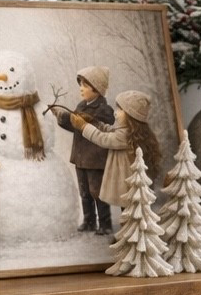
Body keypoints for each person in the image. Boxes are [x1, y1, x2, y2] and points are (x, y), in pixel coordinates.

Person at [69, 90, 162, 216]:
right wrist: (94, 122)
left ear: (131, 115)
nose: (115, 112)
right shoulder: (127, 132)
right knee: (129, 210)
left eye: (120, 110)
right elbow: (110, 130)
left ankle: (132, 233)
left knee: (130, 211)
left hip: (128, 183)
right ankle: (130, 232)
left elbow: (103, 138)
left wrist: (84, 126)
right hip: (129, 182)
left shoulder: (126, 135)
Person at [54, 65, 115, 234]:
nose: (81, 89)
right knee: (85, 191)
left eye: (85, 85)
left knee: (97, 192)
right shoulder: (81, 106)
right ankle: (89, 221)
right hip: (80, 157)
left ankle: (105, 224)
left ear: (97, 89)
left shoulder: (105, 110)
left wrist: (74, 119)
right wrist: (62, 118)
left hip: (95, 159)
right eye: (80, 84)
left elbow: (98, 127)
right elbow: (76, 127)